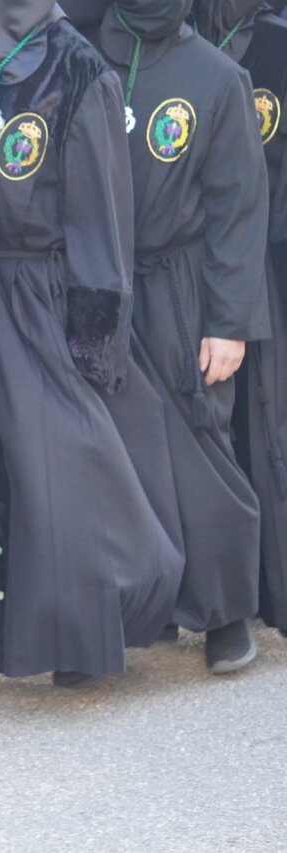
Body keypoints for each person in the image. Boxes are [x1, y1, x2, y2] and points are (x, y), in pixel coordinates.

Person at [0, 0, 183, 687]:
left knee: (58, 462)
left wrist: (95, 333)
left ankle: (85, 631)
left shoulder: (78, 71)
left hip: (30, 291)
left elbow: (101, 213)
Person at [95, 0, 268, 673]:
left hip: (181, 285)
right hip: (103, 286)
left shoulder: (217, 77)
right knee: (119, 452)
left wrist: (229, 324)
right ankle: (152, 605)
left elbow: (238, 211)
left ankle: (226, 614)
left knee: (201, 445)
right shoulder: (84, 60)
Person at [195, 0, 287, 643]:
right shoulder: (175, 37)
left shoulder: (276, 46)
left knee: (267, 425)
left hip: (274, 255)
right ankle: (221, 593)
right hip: (188, 258)